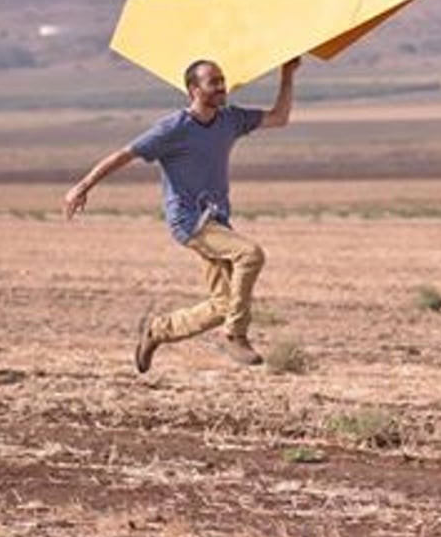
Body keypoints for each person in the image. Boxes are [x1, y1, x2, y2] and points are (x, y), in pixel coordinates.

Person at [63, 56, 300, 372]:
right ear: (193, 90)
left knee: (222, 304)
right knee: (251, 255)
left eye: (222, 80)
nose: (221, 87)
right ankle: (236, 334)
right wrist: (83, 185)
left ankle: (158, 330)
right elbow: (125, 154)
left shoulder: (230, 119)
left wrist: (287, 75)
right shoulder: (173, 128)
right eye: (213, 82)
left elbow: (279, 118)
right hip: (189, 222)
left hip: (216, 221)